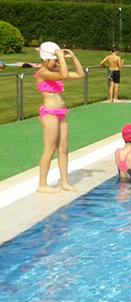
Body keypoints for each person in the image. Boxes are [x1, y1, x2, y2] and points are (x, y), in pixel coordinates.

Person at [35, 42, 85, 193]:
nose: (57, 62)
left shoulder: (54, 71)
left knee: (63, 148)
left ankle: (64, 182)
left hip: (61, 113)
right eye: (55, 60)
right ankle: (42, 184)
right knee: (49, 149)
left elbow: (80, 74)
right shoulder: (42, 73)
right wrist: (60, 55)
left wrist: (73, 58)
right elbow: (64, 74)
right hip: (49, 113)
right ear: (46, 59)